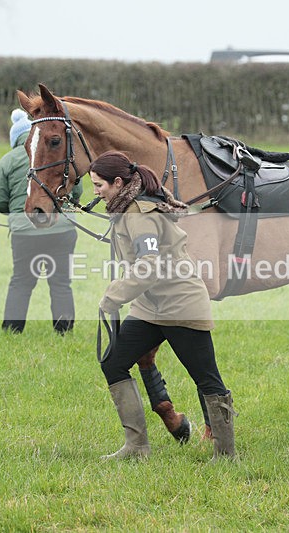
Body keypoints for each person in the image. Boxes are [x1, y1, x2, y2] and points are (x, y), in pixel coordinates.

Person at [89, 150, 236, 460]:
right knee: (113, 362)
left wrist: (112, 296)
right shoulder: (126, 207)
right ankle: (136, 447)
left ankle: (226, 455)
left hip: (181, 305)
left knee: (207, 377)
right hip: (149, 308)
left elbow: (148, 265)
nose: (96, 192)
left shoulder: (140, 215)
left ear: (118, 183)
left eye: (99, 185)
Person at [0, 109, 81, 335]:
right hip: (62, 229)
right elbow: (75, 189)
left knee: (21, 281)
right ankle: (64, 331)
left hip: (25, 231)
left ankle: (12, 330)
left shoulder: (8, 160)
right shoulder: (58, 154)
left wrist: (13, 212)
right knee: (60, 282)